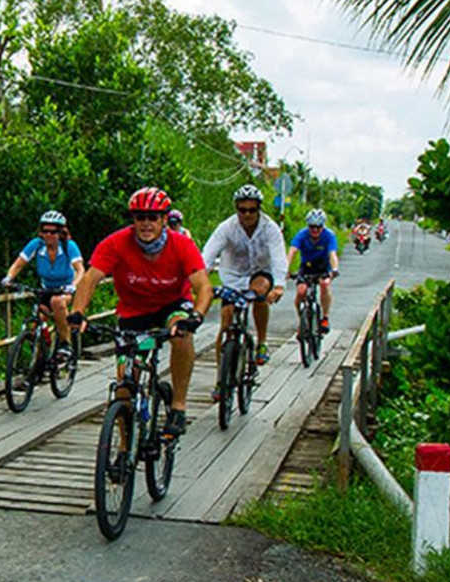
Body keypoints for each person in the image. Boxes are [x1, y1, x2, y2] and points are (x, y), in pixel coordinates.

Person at [68, 187, 211, 437]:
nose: (146, 224)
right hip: (134, 312)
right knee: (124, 387)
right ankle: (124, 451)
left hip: (173, 304)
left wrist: (196, 316)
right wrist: (78, 312)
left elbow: (203, 286)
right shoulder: (115, 243)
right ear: (133, 220)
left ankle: (178, 405)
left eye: (153, 217)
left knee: (182, 333)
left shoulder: (182, 245)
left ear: (164, 219)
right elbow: (90, 279)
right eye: (139, 217)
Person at [201, 185, 286, 397]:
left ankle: (262, 343)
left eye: (251, 210)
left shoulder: (270, 228)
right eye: (242, 210)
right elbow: (208, 256)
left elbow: (278, 257)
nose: (247, 215)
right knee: (226, 320)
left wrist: (279, 286)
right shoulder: (227, 227)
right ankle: (221, 379)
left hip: (259, 272)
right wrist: (200, 281)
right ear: (237, 209)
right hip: (232, 276)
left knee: (259, 293)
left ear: (259, 210)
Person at [1, 209, 84, 361]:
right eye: (45, 231)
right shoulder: (37, 245)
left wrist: (73, 285)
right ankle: (39, 363)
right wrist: (9, 278)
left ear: (61, 232)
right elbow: (18, 264)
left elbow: (80, 270)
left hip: (65, 290)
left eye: (53, 232)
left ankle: (66, 344)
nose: (49, 235)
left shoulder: (69, 246)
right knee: (36, 323)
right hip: (46, 289)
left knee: (57, 302)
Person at [287, 208, 341, 332]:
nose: (315, 230)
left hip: (322, 266)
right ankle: (302, 320)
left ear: (323, 226)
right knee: (301, 292)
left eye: (318, 227)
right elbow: (292, 252)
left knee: (325, 284)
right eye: (312, 227)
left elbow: (332, 254)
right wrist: (285, 269)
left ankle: (325, 317)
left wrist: (334, 269)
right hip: (307, 266)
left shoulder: (329, 235)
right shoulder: (302, 234)